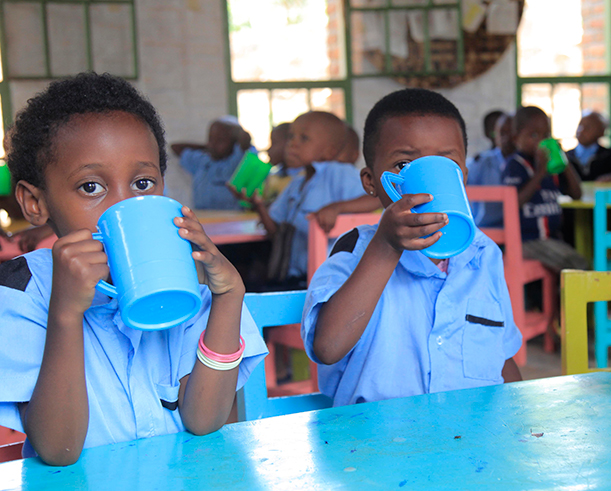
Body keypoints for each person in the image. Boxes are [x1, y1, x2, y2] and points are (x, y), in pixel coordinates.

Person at [0, 72, 266, 465]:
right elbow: (59, 449)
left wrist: (228, 297)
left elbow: (204, 420)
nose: (124, 208)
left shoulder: (189, 279)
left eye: (142, 183)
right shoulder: (21, 291)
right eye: (91, 187)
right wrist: (66, 313)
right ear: (35, 202)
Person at [302, 88, 522, 407]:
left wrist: (521, 416)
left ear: (462, 177)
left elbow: (499, 356)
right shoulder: (355, 250)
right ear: (371, 182)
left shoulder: (483, 254)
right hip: (375, 444)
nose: (425, 182)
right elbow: (327, 347)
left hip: (468, 442)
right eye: (404, 164)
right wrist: (386, 246)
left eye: (445, 165)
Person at [235, 111, 372, 290]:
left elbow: (375, 197)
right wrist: (258, 205)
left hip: (329, 281)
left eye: (304, 138)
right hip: (293, 277)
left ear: (328, 151)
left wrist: (336, 208)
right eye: (291, 136)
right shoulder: (297, 183)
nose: (293, 143)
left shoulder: (338, 173)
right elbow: (275, 230)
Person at [502, 106, 588, 272]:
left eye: (546, 135)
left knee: (574, 261)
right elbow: (515, 202)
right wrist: (540, 172)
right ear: (516, 138)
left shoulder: (550, 167)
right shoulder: (516, 165)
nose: (541, 141)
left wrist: (565, 163)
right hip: (528, 240)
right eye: (533, 135)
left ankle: (560, 297)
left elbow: (576, 194)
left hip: (551, 239)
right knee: (578, 265)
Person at [171, 116, 252, 210]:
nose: (213, 144)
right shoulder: (202, 160)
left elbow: (246, 138)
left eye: (220, 140)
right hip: (204, 220)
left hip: (231, 221)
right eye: (211, 138)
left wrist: (237, 134)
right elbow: (175, 148)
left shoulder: (238, 162)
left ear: (234, 143)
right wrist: (208, 147)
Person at [466, 112, 514, 227]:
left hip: (520, 231)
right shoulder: (482, 161)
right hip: (486, 230)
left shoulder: (527, 163)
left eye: (511, 133)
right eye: (501, 133)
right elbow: (460, 182)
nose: (506, 139)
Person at [565, 112, 611, 182]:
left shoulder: (608, 155)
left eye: (588, 127)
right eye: (580, 126)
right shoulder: (566, 156)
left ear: (601, 132)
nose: (581, 130)